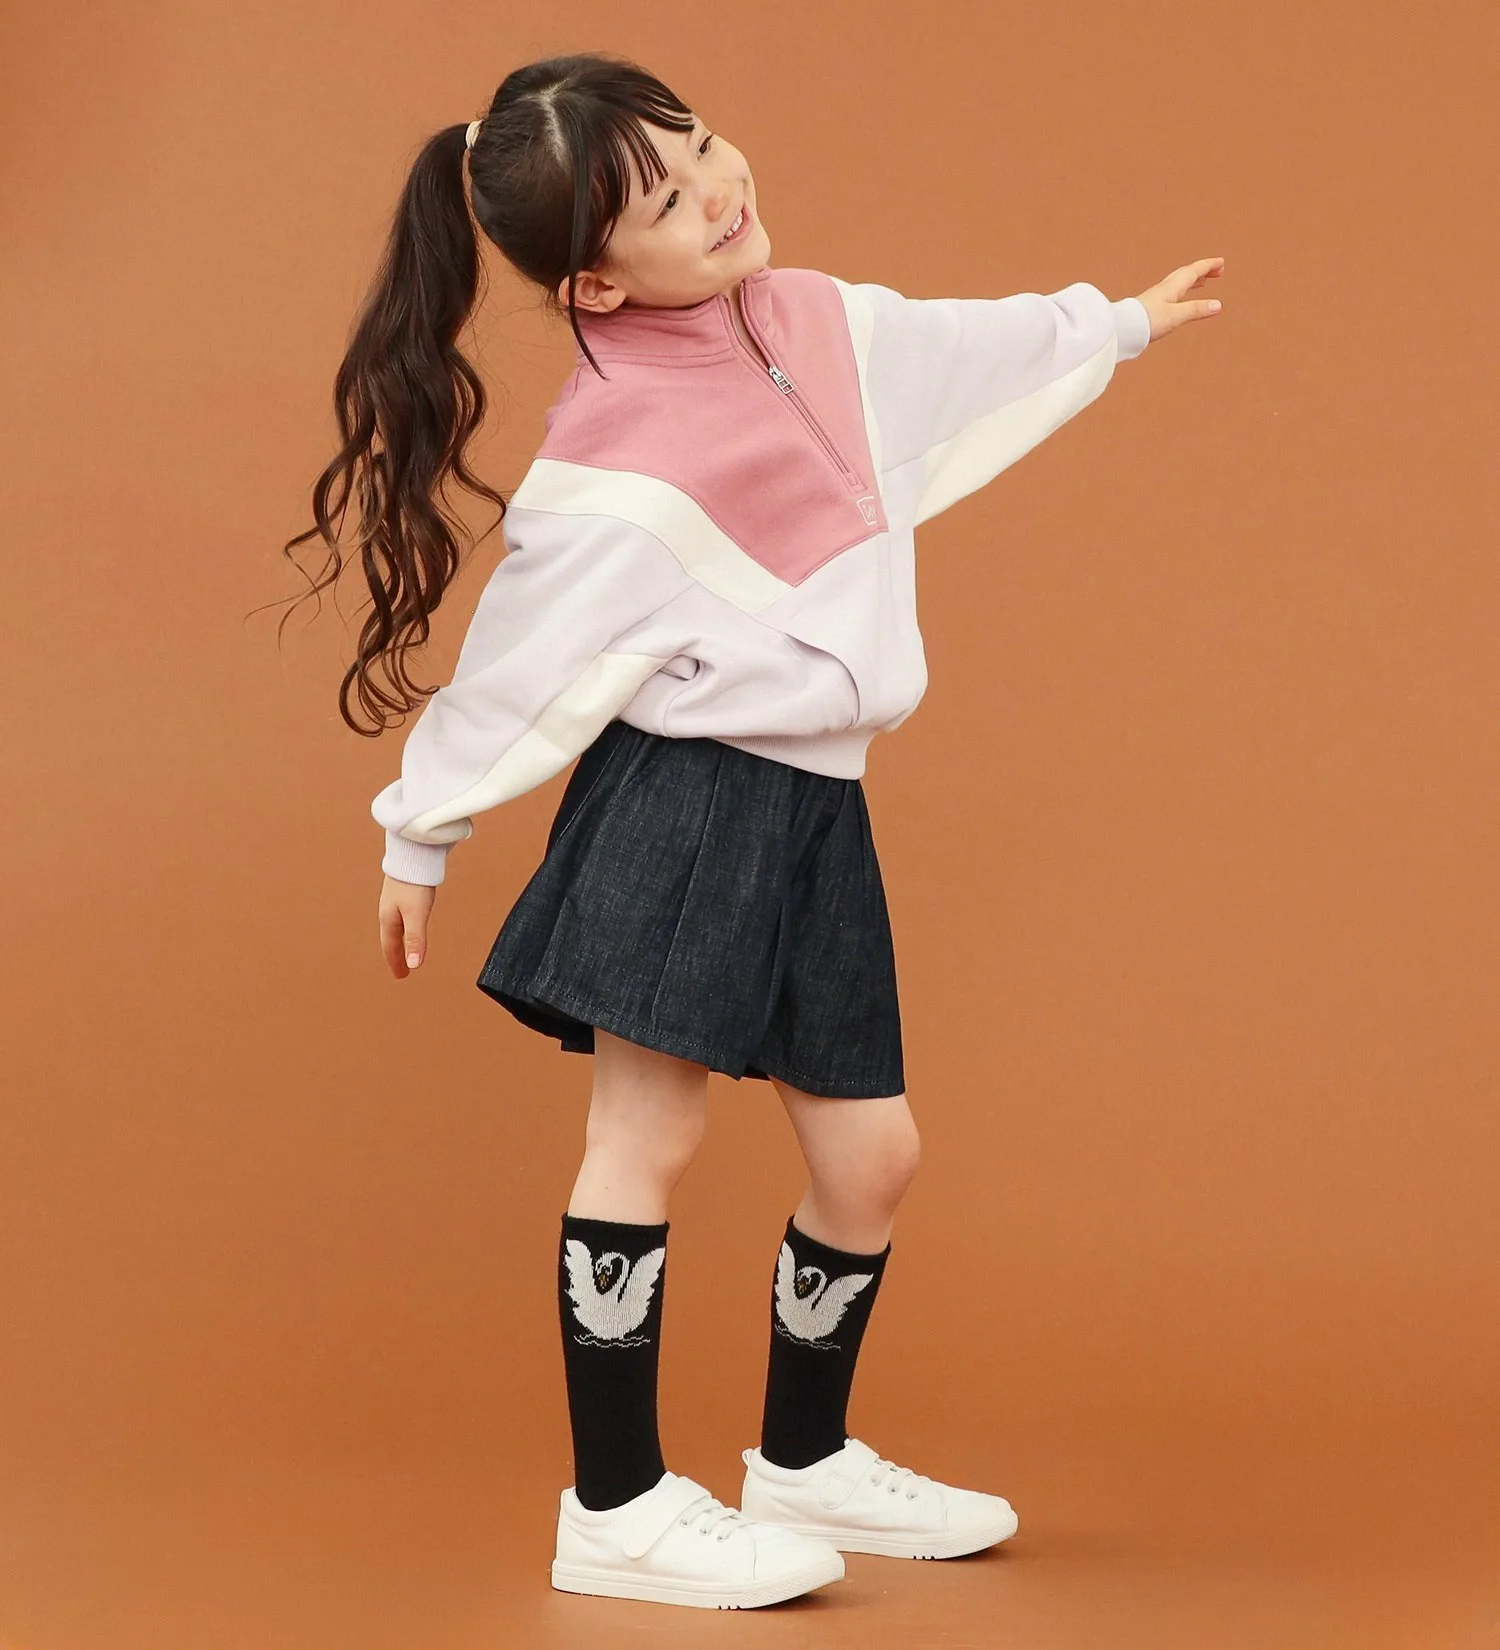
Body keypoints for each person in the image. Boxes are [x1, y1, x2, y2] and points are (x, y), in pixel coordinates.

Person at [282, 50, 1224, 1612]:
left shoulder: (815, 320)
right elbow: (522, 658)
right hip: (686, 801)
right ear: (595, 280)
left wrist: (1113, 322)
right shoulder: (615, 454)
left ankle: (802, 1459)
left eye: (703, 144)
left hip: (814, 806)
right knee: (646, 1136)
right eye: (664, 198)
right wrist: (417, 831)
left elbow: (955, 347)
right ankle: (616, 1503)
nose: (718, 190)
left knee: (874, 1155)